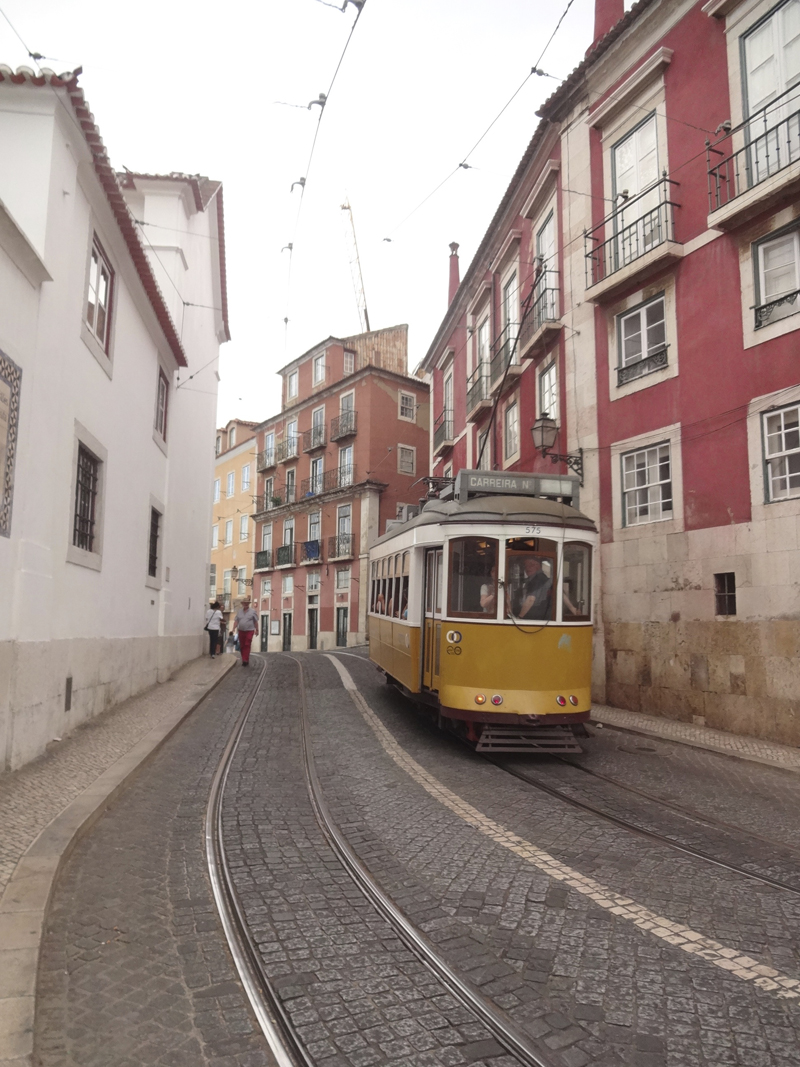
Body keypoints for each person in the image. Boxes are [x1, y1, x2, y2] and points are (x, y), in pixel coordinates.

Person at [517, 556, 552, 621]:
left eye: (531, 565)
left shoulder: (538, 579)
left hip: (536, 617)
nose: (527, 568)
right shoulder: (534, 579)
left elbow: (530, 599)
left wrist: (519, 618)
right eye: (526, 566)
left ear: (538, 566)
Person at [232, 596, 259, 666]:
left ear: (248, 604)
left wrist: (257, 630)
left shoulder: (253, 611)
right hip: (241, 631)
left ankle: (245, 660)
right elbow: (236, 621)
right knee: (242, 645)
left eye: (247, 603)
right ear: (242, 604)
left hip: (250, 630)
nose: (246, 604)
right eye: (244, 603)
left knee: (247, 644)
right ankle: (244, 658)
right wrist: (233, 628)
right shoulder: (239, 612)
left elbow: (255, 621)